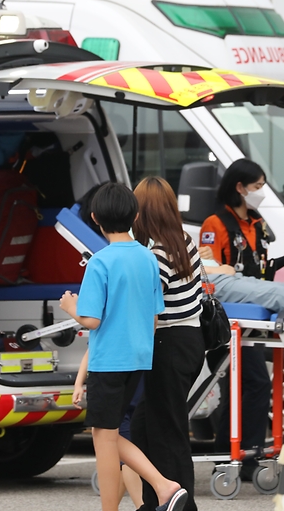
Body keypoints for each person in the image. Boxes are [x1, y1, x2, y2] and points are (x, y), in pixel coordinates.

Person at [58, 182, 188, 511]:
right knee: (109, 436)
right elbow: (155, 314)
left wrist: (70, 307)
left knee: (104, 439)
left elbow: (91, 320)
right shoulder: (148, 258)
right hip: (139, 359)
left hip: (108, 362)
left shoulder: (100, 262)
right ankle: (163, 487)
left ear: (94, 218)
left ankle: (160, 487)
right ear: (135, 215)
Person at [199, 159, 284, 477]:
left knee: (249, 385)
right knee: (249, 384)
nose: (261, 193)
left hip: (254, 313)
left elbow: (260, 268)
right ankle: (233, 457)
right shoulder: (216, 224)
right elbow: (211, 276)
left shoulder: (256, 223)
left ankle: (237, 455)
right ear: (240, 187)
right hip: (228, 319)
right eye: (258, 186)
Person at [130, 177, 205, 511]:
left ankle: (181, 504)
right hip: (191, 340)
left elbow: (149, 310)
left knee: (167, 431)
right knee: (146, 424)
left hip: (169, 344)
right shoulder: (184, 241)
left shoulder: (157, 255)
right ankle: (153, 502)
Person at [72, 351, 144, 508]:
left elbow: (91, 347)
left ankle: (142, 505)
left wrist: (78, 384)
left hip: (115, 389)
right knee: (122, 458)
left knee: (125, 458)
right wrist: (78, 384)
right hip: (136, 386)